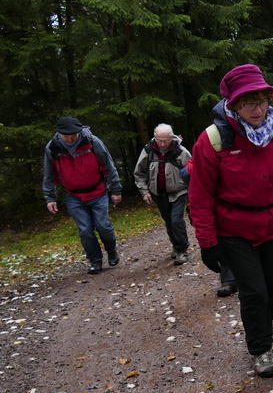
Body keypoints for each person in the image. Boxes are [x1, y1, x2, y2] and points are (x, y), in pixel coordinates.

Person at [188, 64, 273, 378]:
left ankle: (260, 322)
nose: (257, 109)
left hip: (272, 223)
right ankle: (261, 348)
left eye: (262, 101)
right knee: (254, 291)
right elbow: (200, 195)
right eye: (247, 103)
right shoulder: (213, 139)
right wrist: (207, 242)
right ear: (233, 105)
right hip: (233, 229)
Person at [42, 116, 122, 275]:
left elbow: (108, 165)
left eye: (74, 135)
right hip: (73, 196)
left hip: (97, 191)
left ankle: (111, 250)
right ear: (59, 134)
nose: (71, 139)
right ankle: (95, 261)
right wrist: (50, 198)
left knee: (103, 226)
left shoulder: (92, 142)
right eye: (67, 136)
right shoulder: (52, 148)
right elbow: (49, 176)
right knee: (85, 230)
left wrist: (116, 189)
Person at [133, 123, 192, 265]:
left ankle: (182, 250)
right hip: (159, 193)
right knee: (168, 221)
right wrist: (144, 192)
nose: (163, 143)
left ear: (171, 138)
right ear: (155, 138)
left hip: (179, 191)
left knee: (176, 220)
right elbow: (139, 173)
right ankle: (176, 245)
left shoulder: (180, 151)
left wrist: (193, 192)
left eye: (166, 140)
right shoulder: (148, 151)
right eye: (160, 140)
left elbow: (192, 171)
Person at [180, 158, 237, 297]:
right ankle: (229, 281)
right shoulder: (202, 157)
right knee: (223, 245)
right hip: (214, 210)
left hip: (236, 207)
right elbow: (186, 174)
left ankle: (249, 278)